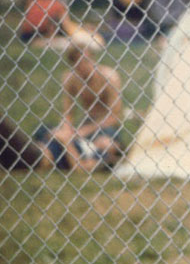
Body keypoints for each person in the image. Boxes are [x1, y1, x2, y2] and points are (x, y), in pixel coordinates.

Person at [0, 32, 124, 172]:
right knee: (46, 130)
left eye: (86, 61)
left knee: (35, 151)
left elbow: (114, 116)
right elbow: (68, 113)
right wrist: (65, 129)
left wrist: (74, 136)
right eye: (78, 64)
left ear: (92, 58)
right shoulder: (71, 78)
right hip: (80, 130)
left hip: (104, 126)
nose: (84, 67)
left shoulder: (109, 77)